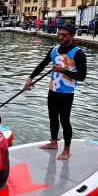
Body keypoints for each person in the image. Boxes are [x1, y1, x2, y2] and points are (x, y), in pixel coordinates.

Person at [23, 22, 87, 160]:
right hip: (53, 90)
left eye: (65, 35)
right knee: (52, 117)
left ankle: (67, 149)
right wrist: (30, 78)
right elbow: (42, 65)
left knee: (64, 120)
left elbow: (82, 77)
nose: (61, 37)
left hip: (67, 93)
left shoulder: (78, 53)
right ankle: (53, 142)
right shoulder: (53, 50)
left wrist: (63, 70)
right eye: (60, 34)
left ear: (72, 36)